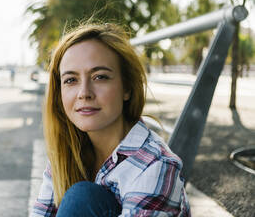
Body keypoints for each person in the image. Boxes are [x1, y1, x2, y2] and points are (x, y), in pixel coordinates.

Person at [32, 23, 191, 217]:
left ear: (127, 88)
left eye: (100, 77)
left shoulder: (156, 165)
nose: (84, 93)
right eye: (71, 80)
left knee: (81, 197)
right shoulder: (67, 151)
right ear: (59, 94)